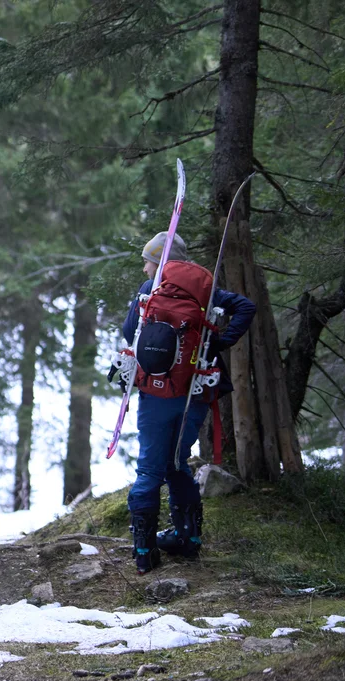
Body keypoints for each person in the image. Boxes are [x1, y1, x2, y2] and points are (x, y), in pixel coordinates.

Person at [120, 231, 255, 574]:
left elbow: (129, 331)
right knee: (177, 462)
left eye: (148, 261)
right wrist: (220, 340)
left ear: (159, 261)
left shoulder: (148, 291)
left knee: (150, 468)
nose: (146, 267)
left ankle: (144, 552)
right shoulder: (205, 290)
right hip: (195, 390)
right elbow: (246, 307)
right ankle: (188, 539)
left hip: (158, 392)